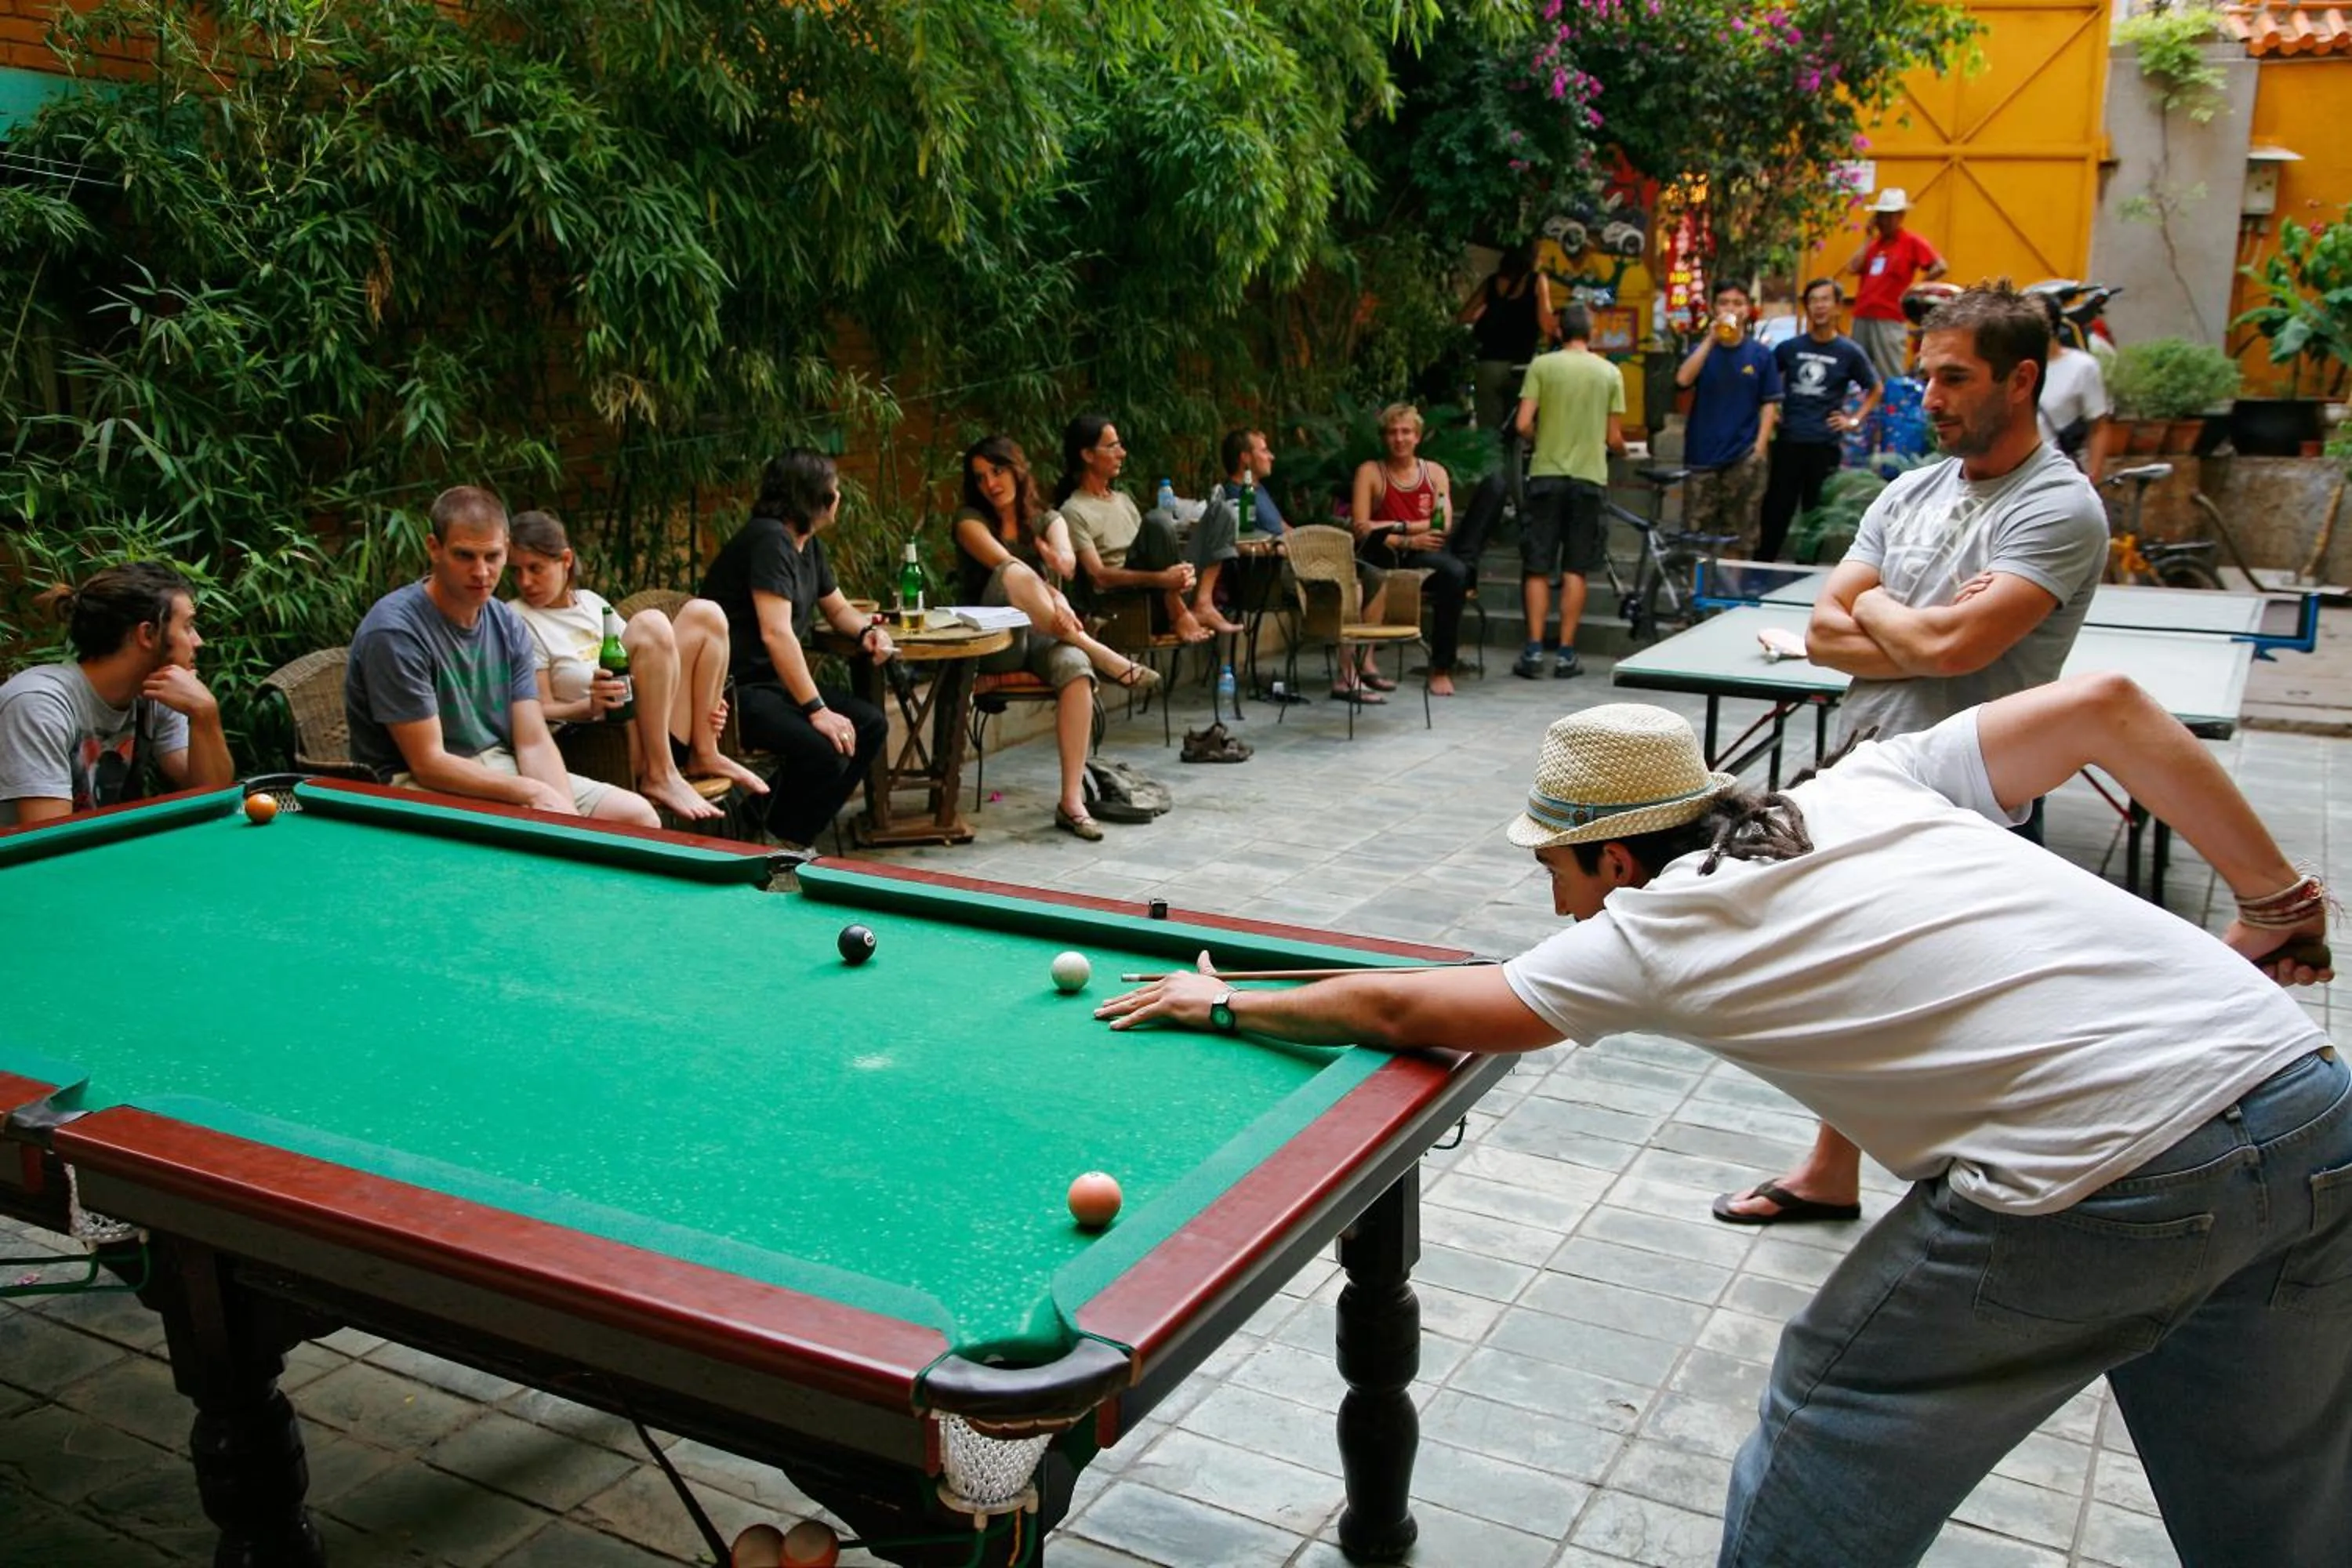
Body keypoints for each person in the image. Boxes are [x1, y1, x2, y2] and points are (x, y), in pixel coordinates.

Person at [1098, 681, 2347, 1568]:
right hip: (2312, 1107)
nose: (1554, 898)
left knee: (1833, 1404)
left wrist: (1226, 1002)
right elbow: (2112, 708)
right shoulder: (1872, 780)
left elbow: (1408, 1003)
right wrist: (2275, 898)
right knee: (2269, 1486)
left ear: (1616, 863)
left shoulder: (1658, 930)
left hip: (2108, 1173)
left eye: (1556, 870)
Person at [1718, 285, 2109, 1229]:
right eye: (1926, 374)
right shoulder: (1913, 488)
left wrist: (1888, 615)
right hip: (1868, 759)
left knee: (1942, 986)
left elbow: (1950, 655)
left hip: (1967, 775)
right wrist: (1918, 621)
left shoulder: (2059, 507)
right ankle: (1831, 1168)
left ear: (2024, 379)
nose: (1929, 396)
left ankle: (2026, 1177)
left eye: (1953, 377)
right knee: (1851, 971)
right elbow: (1819, 626)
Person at [345, 488, 659, 826]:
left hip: (500, 767)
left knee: (639, 818)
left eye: (492, 557)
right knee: (538, 832)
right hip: (409, 787)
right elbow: (429, 763)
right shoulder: (395, 632)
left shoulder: (507, 622)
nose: (481, 572)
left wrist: (567, 816)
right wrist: (532, 795)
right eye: (465, 556)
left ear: (506, 550)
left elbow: (534, 741)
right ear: (434, 549)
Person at [953, 434, 1160, 841]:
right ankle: (1102, 653)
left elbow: (1067, 561)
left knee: (1076, 669)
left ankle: (1071, 802)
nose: (990, 484)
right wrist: (1051, 592)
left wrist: (1057, 560)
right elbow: (1006, 562)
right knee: (1012, 573)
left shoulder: (1047, 518)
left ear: (1016, 469)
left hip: (1044, 635)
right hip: (995, 643)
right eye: (980, 478)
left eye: (997, 471)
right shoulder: (968, 522)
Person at [506, 510, 768, 823]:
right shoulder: (518, 618)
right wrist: (587, 705)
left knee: (706, 614)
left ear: (565, 559)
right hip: (601, 744)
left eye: (536, 568)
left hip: (649, 728)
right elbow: (537, 710)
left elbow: (650, 663)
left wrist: (705, 699)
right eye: (516, 571)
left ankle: (705, 752)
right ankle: (659, 774)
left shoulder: (589, 602)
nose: (525, 582)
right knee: (652, 625)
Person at [700, 451, 895, 851]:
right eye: (834, 489)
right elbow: (776, 634)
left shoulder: (807, 545)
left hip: (774, 686)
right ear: (814, 496)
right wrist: (817, 710)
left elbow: (837, 607)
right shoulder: (769, 540)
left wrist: (867, 633)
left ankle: (785, 837)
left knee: (870, 724)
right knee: (825, 748)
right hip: (737, 694)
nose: (839, 496)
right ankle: (775, 843)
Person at [0, 561, 235, 826]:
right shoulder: (39, 703)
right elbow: (50, 841)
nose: (198, 641)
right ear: (147, 634)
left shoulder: (158, 689)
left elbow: (213, 802)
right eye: (188, 626)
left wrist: (205, 714)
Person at [1511, 300, 1625, 681]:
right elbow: (1614, 438)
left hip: (1545, 475)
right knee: (1576, 566)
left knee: (1537, 565)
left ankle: (1532, 651)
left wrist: (1542, 437)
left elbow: (1523, 423)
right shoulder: (1610, 373)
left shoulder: (1542, 366)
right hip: (1590, 479)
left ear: (1559, 332)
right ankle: (1565, 653)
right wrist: (1621, 450)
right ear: (1591, 333)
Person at [1054, 414, 1214, 646]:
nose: (1122, 453)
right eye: (1112, 447)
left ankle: (1194, 602)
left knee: (1220, 514)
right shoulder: (1073, 510)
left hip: (1158, 592)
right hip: (1127, 603)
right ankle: (1177, 611)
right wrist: (1162, 580)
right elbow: (1099, 577)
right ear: (1088, 455)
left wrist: (1178, 576)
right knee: (1158, 520)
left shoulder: (1123, 500)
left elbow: (1153, 553)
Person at [1348, 402, 1472, 698]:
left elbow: (1441, 524)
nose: (1399, 439)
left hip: (1423, 555)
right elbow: (1363, 529)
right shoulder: (1370, 472)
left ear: (1418, 437)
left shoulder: (1435, 473)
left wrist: (1394, 527)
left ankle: (1440, 668)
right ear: (1384, 438)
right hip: (1382, 553)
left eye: (1406, 432)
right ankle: (1363, 663)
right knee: (1373, 564)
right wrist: (1408, 536)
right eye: (1392, 432)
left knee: (1456, 574)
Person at [1758, 278, 1880, 563]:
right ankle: (1761, 569)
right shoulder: (1789, 348)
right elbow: (1766, 383)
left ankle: (1806, 572)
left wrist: (1853, 421)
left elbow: (1876, 389)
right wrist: (1772, 412)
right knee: (1775, 510)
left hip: (1824, 445)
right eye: (1813, 300)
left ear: (1838, 307)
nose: (1819, 306)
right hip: (1788, 441)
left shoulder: (1849, 351)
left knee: (1817, 514)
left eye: (1826, 300)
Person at [1675, 281, 1782, 555]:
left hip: (1743, 457)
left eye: (1737, 303)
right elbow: (1683, 379)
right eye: (1724, 303)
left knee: (1740, 538)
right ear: (1714, 308)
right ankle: (1699, 597)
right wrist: (1711, 339)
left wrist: (1759, 449)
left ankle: (1733, 597)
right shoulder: (1703, 350)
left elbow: (1770, 403)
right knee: (1696, 537)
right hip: (1702, 455)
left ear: (1747, 310)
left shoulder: (1760, 355)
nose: (1730, 309)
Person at [1843, 187, 1948, 381]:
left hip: (1890, 316)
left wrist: (1915, 289)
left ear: (1901, 217)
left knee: (1889, 372)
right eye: (1882, 216)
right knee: (1857, 371)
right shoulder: (1874, 245)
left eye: (1891, 216)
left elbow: (1940, 266)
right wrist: (1867, 237)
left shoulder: (1911, 242)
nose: (1886, 221)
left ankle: (1892, 409)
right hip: (1863, 314)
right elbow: (1852, 267)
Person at [1461, 242, 1555, 434]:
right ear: (1533, 259)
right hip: (1520, 366)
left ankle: (1491, 464)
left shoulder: (1492, 282)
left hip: (1488, 365)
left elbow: (1465, 316)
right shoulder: (1537, 281)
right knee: (1516, 432)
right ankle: (1513, 464)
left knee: (1489, 435)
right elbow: (1546, 323)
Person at [2033, 292, 2113, 483]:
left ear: (2052, 325)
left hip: (2058, 475)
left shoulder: (2083, 367)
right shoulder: (2010, 368)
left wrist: (2092, 478)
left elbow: (2099, 426)